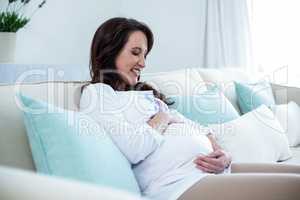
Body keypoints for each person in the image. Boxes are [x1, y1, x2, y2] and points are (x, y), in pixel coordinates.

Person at [80, 17, 300, 200]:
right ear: (109, 51)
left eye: (145, 55)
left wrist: (223, 154)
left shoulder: (144, 95)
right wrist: (162, 117)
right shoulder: (98, 94)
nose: (143, 63)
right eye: (135, 52)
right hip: (177, 184)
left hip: (211, 171)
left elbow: (199, 128)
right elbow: (135, 148)